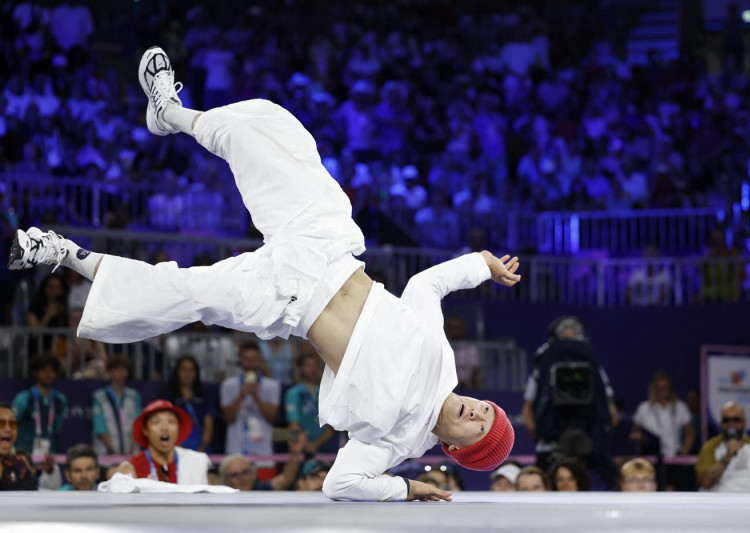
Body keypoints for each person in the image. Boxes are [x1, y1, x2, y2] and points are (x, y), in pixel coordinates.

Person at [8, 46, 518, 502]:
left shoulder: (394, 442)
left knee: (179, 293)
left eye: (481, 428)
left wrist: (405, 487)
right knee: (267, 131)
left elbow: (339, 484)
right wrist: (481, 265)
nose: (478, 413)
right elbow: (424, 285)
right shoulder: (443, 358)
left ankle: (61, 253)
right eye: (488, 411)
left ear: (457, 449)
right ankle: (171, 112)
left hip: (283, 297)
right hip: (326, 245)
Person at [521, 316, 616, 486]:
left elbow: (527, 410)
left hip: (553, 446)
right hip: (585, 446)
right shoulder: (595, 367)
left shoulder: (542, 367)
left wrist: (541, 435)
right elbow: (612, 413)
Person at [695, 401, 750, 493]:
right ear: (721, 423)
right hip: (721, 501)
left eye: (736, 419)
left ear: (744, 422)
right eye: (726, 420)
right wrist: (728, 455)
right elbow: (705, 483)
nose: (731, 424)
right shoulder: (710, 447)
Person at [117, 399, 211, 484]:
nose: (165, 428)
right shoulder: (130, 469)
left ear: (178, 428)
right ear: (145, 430)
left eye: (171, 421)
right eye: (156, 422)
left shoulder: (195, 463)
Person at [220, 342, 281, 456]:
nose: (250, 363)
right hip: (235, 449)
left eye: (254, 359)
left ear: (260, 360)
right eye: (247, 359)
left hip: (263, 451)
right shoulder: (228, 385)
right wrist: (240, 396)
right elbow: (227, 418)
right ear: (240, 360)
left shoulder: (272, 386)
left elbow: (272, 417)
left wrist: (256, 396)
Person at [12, 354, 67, 455]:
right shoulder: (23, 398)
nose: (48, 374)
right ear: (35, 373)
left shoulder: (60, 400)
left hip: (49, 455)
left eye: (52, 371)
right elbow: (12, 426)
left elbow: (57, 428)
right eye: (44, 370)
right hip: (24, 453)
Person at [630, 371, 694, 458]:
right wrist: (641, 439)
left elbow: (690, 433)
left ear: (671, 388)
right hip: (650, 456)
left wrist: (684, 452)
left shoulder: (680, 407)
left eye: (666, 388)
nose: (663, 391)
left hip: (674, 457)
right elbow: (635, 433)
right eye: (659, 388)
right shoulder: (644, 408)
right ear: (653, 389)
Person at [284, 349, 336, 455]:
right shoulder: (293, 393)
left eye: (315, 365)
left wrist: (315, 445)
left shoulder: (325, 392)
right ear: (301, 368)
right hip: (302, 448)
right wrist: (308, 446)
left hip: (325, 446)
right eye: (309, 365)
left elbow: (332, 425)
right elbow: (294, 424)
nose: (313, 369)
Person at [219, 431, 306, 491]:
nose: (242, 478)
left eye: (245, 472)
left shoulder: (260, 489)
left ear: (253, 474)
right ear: (225, 480)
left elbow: (286, 479)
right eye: (235, 475)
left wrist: (295, 453)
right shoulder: (220, 500)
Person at [162, 355, 214, 453]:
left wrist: (203, 446)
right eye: (184, 369)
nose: (188, 373)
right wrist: (177, 446)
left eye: (191, 370)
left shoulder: (203, 395)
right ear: (177, 371)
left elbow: (209, 423)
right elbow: (164, 423)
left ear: (196, 373)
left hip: (200, 446)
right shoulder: (168, 395)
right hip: (175, 446)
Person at [92, 354, 141, 456]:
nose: (120, 373)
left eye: (124, 370)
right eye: (116, 369)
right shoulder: (99, 397)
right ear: (109, 372)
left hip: (131, 451)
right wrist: (113, 451)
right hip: (106, 453)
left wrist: (131, 450)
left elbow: (137, 423)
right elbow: (99, 426)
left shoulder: (134, 396)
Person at [0, 402, 37, 490]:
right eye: (1, 423)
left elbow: (32, 500)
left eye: (12, 424)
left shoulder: (18, 465)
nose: (8, 429)